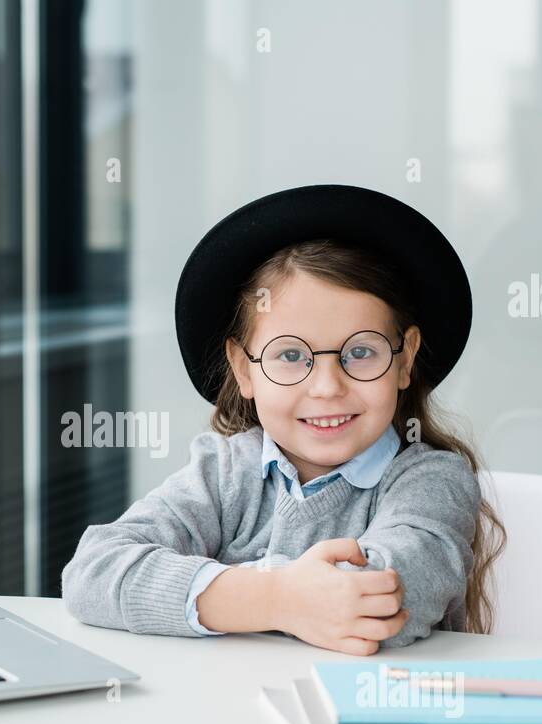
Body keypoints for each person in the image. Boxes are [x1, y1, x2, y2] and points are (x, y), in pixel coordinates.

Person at [61, 184, 505, 654]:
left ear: (403, 359)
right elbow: (93, 572)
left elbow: (381, 602)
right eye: (291, 355)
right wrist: (279, 598)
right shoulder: (224, 472)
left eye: (360, 352)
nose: (328, 387)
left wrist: (227, 594)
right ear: (242, 369)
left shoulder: (431, 482)